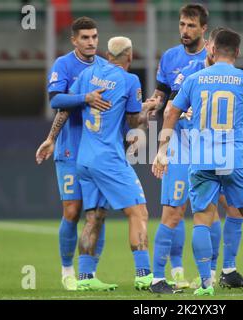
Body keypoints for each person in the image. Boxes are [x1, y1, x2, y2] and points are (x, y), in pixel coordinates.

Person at [153, 29, 243, 296]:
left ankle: (206, 284)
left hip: (201, 157)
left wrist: (161, 150)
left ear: (212, 51)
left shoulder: (194, 79)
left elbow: (171, 112)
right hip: (234, 157)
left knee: (202, 219)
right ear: (237, 52)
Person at [69, 36, 159, 291]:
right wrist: (149, 111)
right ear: (129, 57)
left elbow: (72, 101)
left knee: (94, 217)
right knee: (139, 211)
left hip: (84, 157)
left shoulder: (89, 73)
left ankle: (85, 278)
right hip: (108, 157)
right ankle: (144, 275)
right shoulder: (130, 80)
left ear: (108, 55)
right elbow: (132, 122)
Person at [35, 16, 112, 291]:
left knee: (97, 213)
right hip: (69, 148)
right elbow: (56, 100)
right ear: (74, 40)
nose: (91, 42)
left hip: (97, 151)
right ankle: (67, 270)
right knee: (72, 211)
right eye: (85, 38)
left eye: (94, 37)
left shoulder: (105, 67)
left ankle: (89, 274)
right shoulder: (63, 65)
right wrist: (85, 98)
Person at [148, 3, 209, 291]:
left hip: (208, 145)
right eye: (182, 24)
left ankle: (209, 276)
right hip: (178, 144)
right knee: (173, 210)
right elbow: (161, 94)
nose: (185, 30)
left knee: (210, 211)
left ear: (203, 29)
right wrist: (153, 103)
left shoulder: (212, 57)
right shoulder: (170, 57)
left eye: (191, 26)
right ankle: (158, 278)